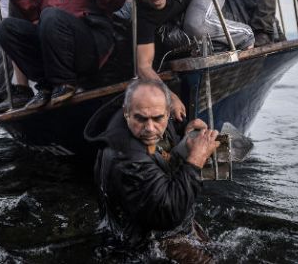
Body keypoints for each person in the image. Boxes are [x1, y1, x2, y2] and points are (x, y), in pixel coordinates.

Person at [130, 0, 255, 122]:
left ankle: (246, 33)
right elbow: (143, 67)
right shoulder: (143, 14)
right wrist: (169, 98)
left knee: (195, 25)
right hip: (183, 9)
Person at [89, 79, 219, 251]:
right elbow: (167, 214)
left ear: (167, 113)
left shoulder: (146, 124)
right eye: (141, 119)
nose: (150, 128)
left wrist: (185, 142)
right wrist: (196, 158)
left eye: (158, 118)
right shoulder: (126, 157)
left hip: (172, 229)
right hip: (150, 243)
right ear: (126, 112)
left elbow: (159, 159)